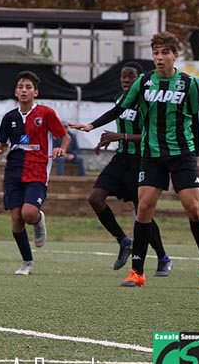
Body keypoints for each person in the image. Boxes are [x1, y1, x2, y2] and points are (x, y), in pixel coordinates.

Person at [71, 32, 199, 288]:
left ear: (175, 55)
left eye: (165, 53)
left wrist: (195, 152)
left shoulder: (188, 84)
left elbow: (193, 119)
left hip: (181, 154)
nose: (159, 57)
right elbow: (120, 108)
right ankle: (137, 271)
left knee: (193, 208)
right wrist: (92, 125)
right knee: (145, 208)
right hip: (151, 155)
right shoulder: (144, 82)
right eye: (156, 53)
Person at [70, 61, 171, 274]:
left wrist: (120, 136)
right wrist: (103, 140)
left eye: (130, 76)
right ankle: (124, 241)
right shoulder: (120, 100)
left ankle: (163, 257)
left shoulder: (147, 102)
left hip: (142, 160)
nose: (125, 80)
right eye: (123, 76)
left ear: (140, 80)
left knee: (142, 211)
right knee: (95, 198)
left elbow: (150, 135)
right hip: (121, 159)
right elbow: (116, 118)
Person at [0, 71, 70, 275]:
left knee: (29, 214)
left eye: (28, 87)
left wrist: (61, 149)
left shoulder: (45, 113)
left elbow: (65, 136)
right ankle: (27, 262)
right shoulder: (10, 117)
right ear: (16, 92)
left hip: (37, 169)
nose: (24, 90)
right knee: (16, 219)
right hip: (13, 171)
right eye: (21, 87)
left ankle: (38, 219)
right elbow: (3, 144)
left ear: (35, 92)